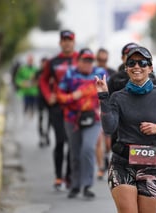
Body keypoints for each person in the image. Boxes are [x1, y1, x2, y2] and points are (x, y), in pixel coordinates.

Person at [95, 46, 156, 213]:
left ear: (150, 68)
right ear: (126, 68)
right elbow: (109, 128)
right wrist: (103, 97)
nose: (137, 67)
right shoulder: (117, 97)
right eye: (132, 63)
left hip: (151, 165)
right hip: (122, 164)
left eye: (142, 63)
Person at [57, 48, 107, 199]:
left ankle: (87, 185)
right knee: (75, 152)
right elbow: (60, 96)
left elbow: (106, 92)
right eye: (84, 60)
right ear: (78, 61)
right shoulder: (70, 74)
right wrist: (75, 95)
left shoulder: (99, 73)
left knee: (87, 148)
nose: (87, 63)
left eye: (90, 60)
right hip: (72, 119)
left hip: (93, 119)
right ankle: (75, 185)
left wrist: (90, 93)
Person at [39, 30, 78, 190]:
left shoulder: (81, 59)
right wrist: (49, 96)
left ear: (73, 42)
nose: (67, 42)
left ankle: (69, 177)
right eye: (64, 40)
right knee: (61, 140)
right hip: (57, 107)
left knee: (72, 142)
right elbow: (43, 79)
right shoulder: (53, 61)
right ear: (60, 43)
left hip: (75, 107)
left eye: (69, 40)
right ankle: (58, 177)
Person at [95, 47, 116, 179]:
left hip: (107, 108)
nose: (102, 61)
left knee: (108, 142)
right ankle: (101, 167)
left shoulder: (112, 73)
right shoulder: (92, 72)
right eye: (100, 59)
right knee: (97, 140)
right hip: (94, 108)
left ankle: (106, 156)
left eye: (105, 59)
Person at [35, 57, 51, 148]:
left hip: (48, 99)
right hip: (40, 98)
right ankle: (41, 136)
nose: (44, 65)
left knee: (49, 119)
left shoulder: (50, 73)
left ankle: (47, 135)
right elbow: (34, 81)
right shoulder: (38, 73)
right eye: (43, 63)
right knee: (40, 118)